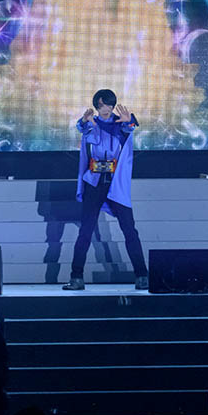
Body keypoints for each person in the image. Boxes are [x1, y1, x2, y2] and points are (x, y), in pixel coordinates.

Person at [64, 89, 149, 290]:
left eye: (109, 105)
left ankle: (142, 275)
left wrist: (129, 122)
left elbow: (129, 128)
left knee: (129, 229)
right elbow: (81, 127)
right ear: (96, 106)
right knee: (86, 230)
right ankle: (76, 277)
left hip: (115, 183)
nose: (105, 108)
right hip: (94, 182)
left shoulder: (120, 124)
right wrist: (85, 121)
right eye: (101, 105)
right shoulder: (91, 123)